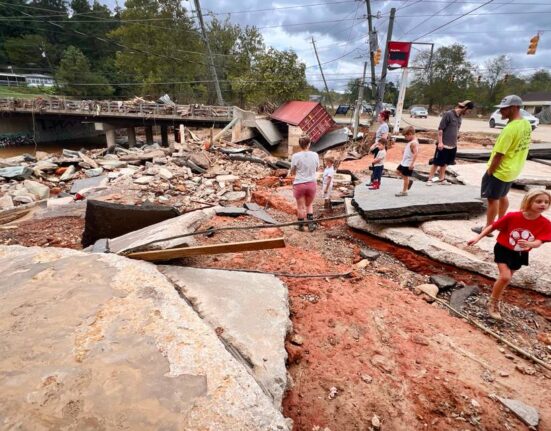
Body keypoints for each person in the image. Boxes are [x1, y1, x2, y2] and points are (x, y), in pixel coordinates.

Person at [467, 190, 551, 320]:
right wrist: (478, 238)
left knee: (506, 279)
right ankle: (492, 302)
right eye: (539, 201)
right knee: (505, 277)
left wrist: (531, 244)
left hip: (520, 254)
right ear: (529, 201)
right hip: (503, 249)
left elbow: (540, 241)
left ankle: (496, 298)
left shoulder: (545, 223)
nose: (543, 204)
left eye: (546, 202)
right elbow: (493, 226)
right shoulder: (513, 216)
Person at [472, 95, 532, 234]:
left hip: (500, 170)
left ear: (515, 107)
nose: (501, 112)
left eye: (504, 109)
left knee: (493, 199)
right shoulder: (526, 124)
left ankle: (488, 228)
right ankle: (501, 223)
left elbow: (499, 154)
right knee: (503, 195)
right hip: (513, 169)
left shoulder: (509, 129)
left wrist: (490, 172)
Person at [427, 100, 474, 185]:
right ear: (465, 108)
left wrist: (457, 135)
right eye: (469, 111)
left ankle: (442, 179)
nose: (468, 113)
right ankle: (429, 179)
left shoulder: (460, 117)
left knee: (445, 163)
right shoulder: (448, 114)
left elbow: (457, 129)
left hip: (453, 145)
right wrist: (440, 142)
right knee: (436, 162)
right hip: (443, 144)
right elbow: (441, 129)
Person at [290, 136, 320, 232]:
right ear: (309, 144)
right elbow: (317, 169)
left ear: (300, 145)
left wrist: (296, 171)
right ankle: (311, 225)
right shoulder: (315, 155)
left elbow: (293, 171)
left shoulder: (295, 156)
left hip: (299, 184)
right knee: (309, 204)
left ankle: (301, 226)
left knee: (300, 207)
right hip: (311, 183)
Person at [395, 126, 418, 197]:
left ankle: (404, 191)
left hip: (408, 163)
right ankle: (408, 181)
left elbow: (416, 154)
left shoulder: (414, 143)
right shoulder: (411, 141)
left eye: (406, 136)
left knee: (405, 177)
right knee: (397, 171)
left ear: (410, 134)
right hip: (404, 162)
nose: (405, 138)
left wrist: (412, 164)